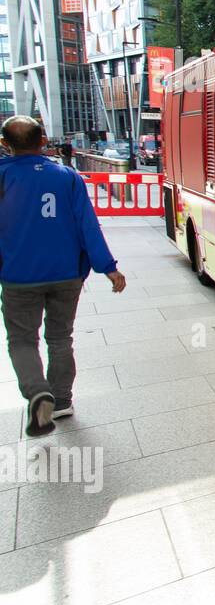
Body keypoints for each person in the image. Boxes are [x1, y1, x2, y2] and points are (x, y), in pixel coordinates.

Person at [0, 116, 126, 437]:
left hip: (18, 276)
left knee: (22, 340)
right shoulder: (68, 177)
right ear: (43, 140)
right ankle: (62, 400)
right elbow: (87, 226)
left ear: (5, 144)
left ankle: (37, 391)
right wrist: (108, 267)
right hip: (66, 275)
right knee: (60, 338)